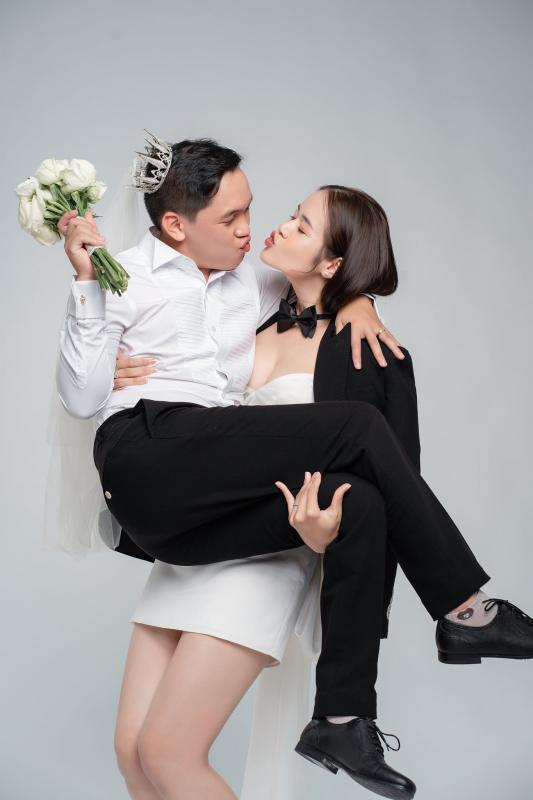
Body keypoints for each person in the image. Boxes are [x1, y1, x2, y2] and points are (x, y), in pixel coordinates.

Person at [54, 137, 533, 800]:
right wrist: (103, 333)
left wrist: (358, 302)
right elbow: (115, 383)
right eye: (237, 217)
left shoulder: (333, 330)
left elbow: (393, 484)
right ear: (176, 224)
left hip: (255, 541)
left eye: (292, 222)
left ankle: (349, 708)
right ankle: (454, 618)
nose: (262, 229)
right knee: (136, 754)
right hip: (178, 494)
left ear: (332, 259)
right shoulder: (234, 297)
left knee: (157, 753)